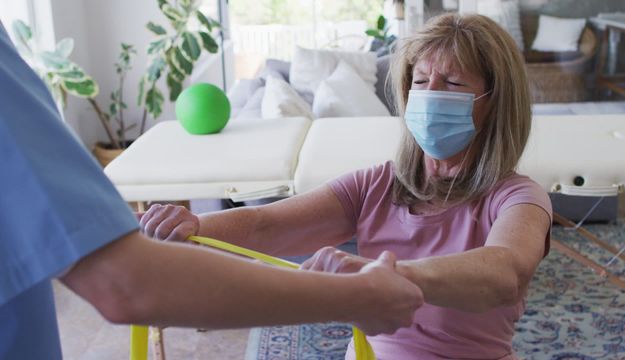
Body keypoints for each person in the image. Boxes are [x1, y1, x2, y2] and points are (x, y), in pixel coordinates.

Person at [141, 13, 553, 360]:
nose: (430, 95)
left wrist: (383, 275)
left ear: (494, 101)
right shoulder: (374, 185)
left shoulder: (518, 198)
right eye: (422, 81)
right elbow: (265, 225)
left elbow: (505, 274)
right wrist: (194, 226)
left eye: (453, 83)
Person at [0, 23, 425, 360]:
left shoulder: (488, 193)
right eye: (422, 82)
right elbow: (125, 281)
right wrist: (355, 297)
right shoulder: (374, 182)